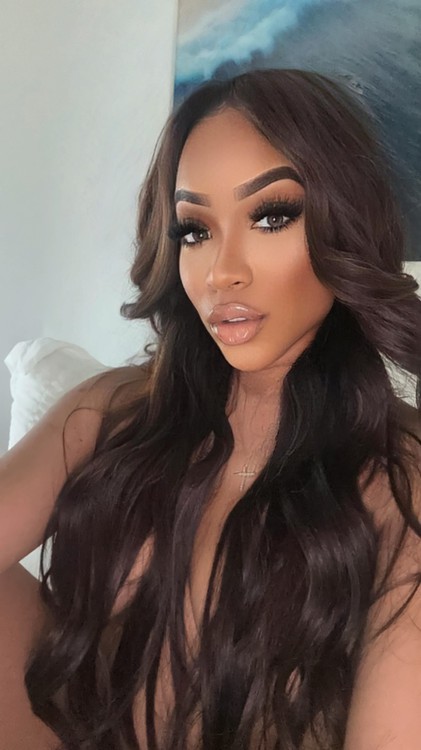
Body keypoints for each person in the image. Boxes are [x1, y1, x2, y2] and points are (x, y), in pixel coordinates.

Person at [0, 68, 421, 750]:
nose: (223, 271)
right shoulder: (107, 412)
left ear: (345, 221)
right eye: (194, 230)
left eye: (271, 216)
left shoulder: (402, 479)